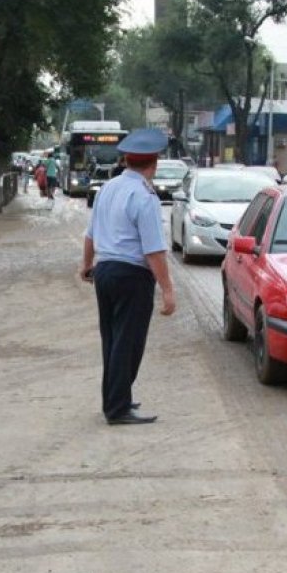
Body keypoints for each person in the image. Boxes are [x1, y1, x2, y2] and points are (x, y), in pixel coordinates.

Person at [79, 129, 176, 425]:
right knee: (128, 342)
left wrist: (86, 265)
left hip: (105, 272)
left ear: (127, 160)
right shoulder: (144, 196)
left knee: (112, 340)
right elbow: (154, 250)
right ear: (154, 163)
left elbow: (90, 233)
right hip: (131, 276)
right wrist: (168, 290)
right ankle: (118, 408)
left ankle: (115, 399)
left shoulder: (108, 188)